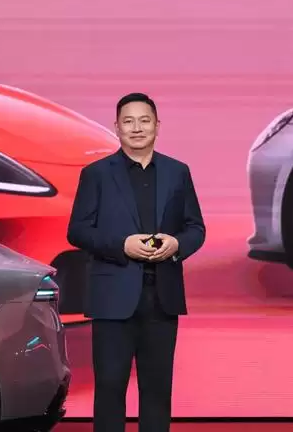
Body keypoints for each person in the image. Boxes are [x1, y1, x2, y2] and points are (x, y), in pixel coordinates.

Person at [67, 92, 205, 432]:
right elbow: (78, 231)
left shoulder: (177, 172)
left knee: (157, 392)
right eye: (128, 121)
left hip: (162, 298)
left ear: (157, 125)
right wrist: (121, 246)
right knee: (110, 389)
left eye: (144, 120)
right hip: (112, 299)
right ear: (116, 127)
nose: (137, 128)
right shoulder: (96, 174)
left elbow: (195, 228)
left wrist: (176, 244)